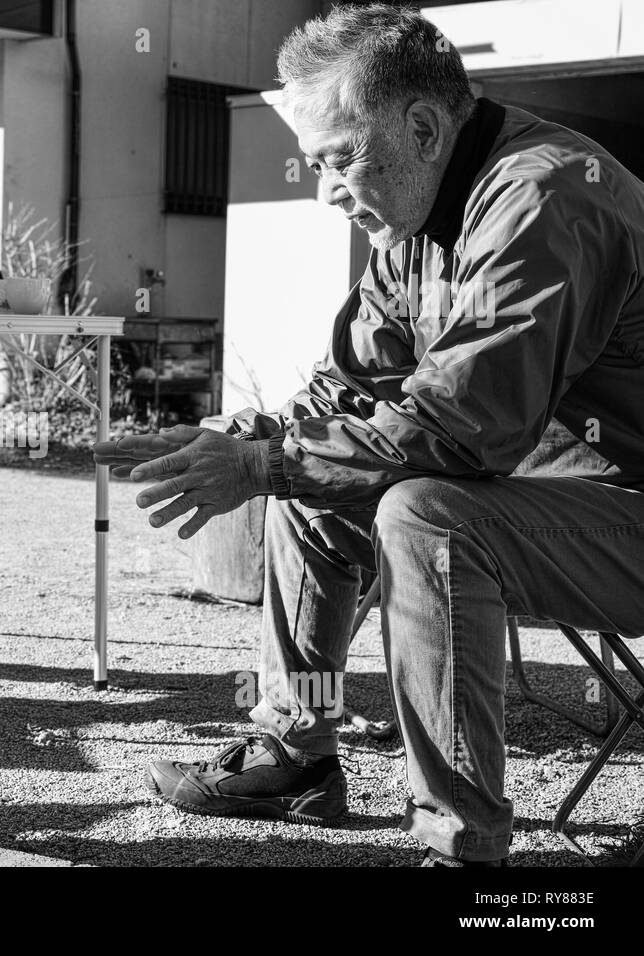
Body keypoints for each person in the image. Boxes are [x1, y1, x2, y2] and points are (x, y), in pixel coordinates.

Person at [95, 3, 644, 866]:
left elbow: (465, 426)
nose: (324, 191)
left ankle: (459, 846)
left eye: (338, 159)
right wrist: (248, 436)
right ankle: (296, 750)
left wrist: (267, 462)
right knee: (312, 492)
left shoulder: (542, 195)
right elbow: (348, 390)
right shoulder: (420, 223)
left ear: (423, 127)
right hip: (546, 500)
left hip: (627, 515)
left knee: (425, 514)